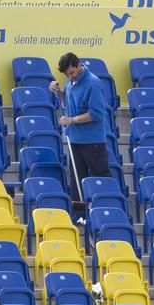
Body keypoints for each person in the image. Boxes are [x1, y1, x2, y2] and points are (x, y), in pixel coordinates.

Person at [48, 52, 110, 211]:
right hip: (75, 139)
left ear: (79, 65)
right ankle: (80, 215)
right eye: (68, 75)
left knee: (100, 177)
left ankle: (107, 210)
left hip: (92, 141)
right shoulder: (71, 82)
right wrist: (59, 93)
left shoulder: (93, 84)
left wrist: (72, 120)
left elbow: (96, 113)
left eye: (72, 73)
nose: (71, 77)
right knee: (76, 180)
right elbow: (68, 102)